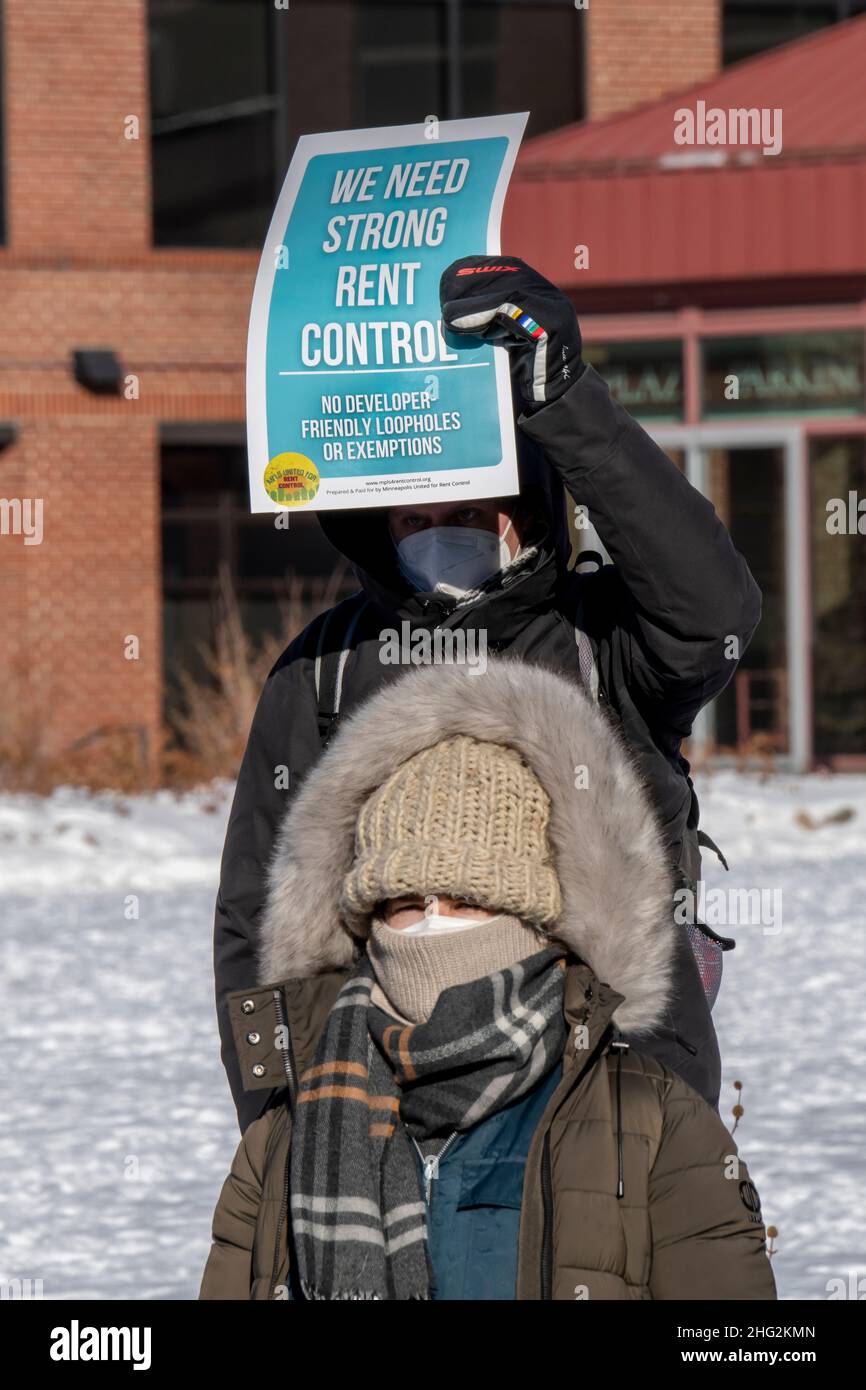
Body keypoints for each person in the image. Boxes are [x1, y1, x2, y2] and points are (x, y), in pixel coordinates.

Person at [214, 256, 762, 1133]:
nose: (439, 537)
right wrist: (280, 1125)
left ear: (528, 516)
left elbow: (715, 610)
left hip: (615, 1092)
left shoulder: (603, 639)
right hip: (385, 1101)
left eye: (467, 515)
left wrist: (563, 400)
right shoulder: (324, 667)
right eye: (415, 521)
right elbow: (258, 911)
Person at [200, 660, 776, 1301]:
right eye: (403, 904)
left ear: (537, 921)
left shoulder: (651, 1123)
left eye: (467, 901)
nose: (430, 927)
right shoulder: (282, 1136)